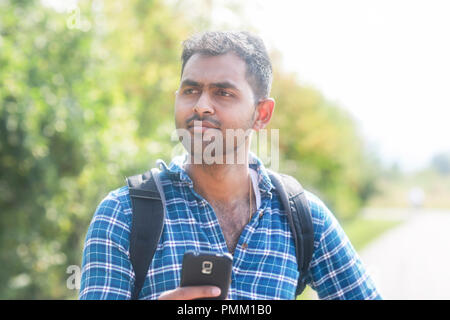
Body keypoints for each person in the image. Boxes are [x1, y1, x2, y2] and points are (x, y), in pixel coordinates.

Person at [79, 31, 381, 300]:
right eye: (190, 90)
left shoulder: (301, 216)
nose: (201, 105)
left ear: (262, 114)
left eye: (223, 92)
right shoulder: (124, 214)